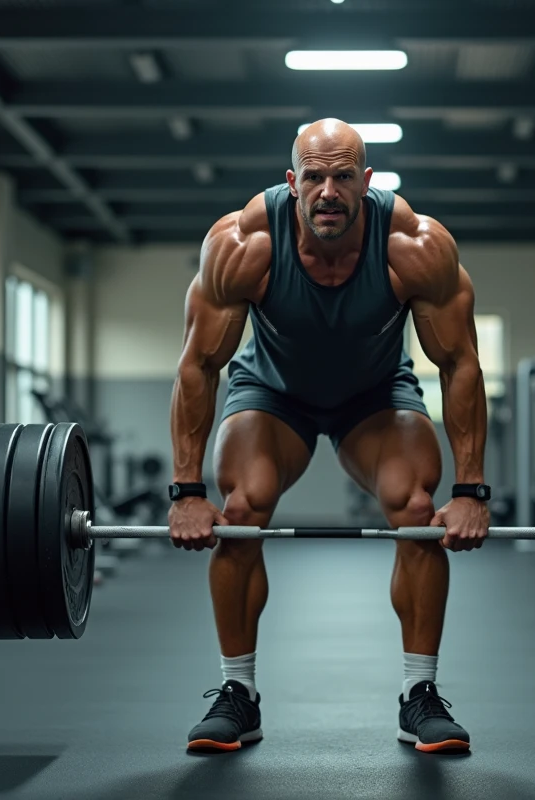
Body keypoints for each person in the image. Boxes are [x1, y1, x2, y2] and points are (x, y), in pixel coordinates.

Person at [167, 119, 490, 754]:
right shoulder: (243, 244)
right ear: (292, 183)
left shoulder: (415, 245)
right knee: (240, 509)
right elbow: (197, 365)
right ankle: (238, 693)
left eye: (344, 177)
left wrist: (472, 489)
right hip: (271, 393)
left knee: (419, 511)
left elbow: (460, 364)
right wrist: (185, 490)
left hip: (373, 398)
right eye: (314, 177)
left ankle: (420, 694)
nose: (328, 192)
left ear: (367, 184)